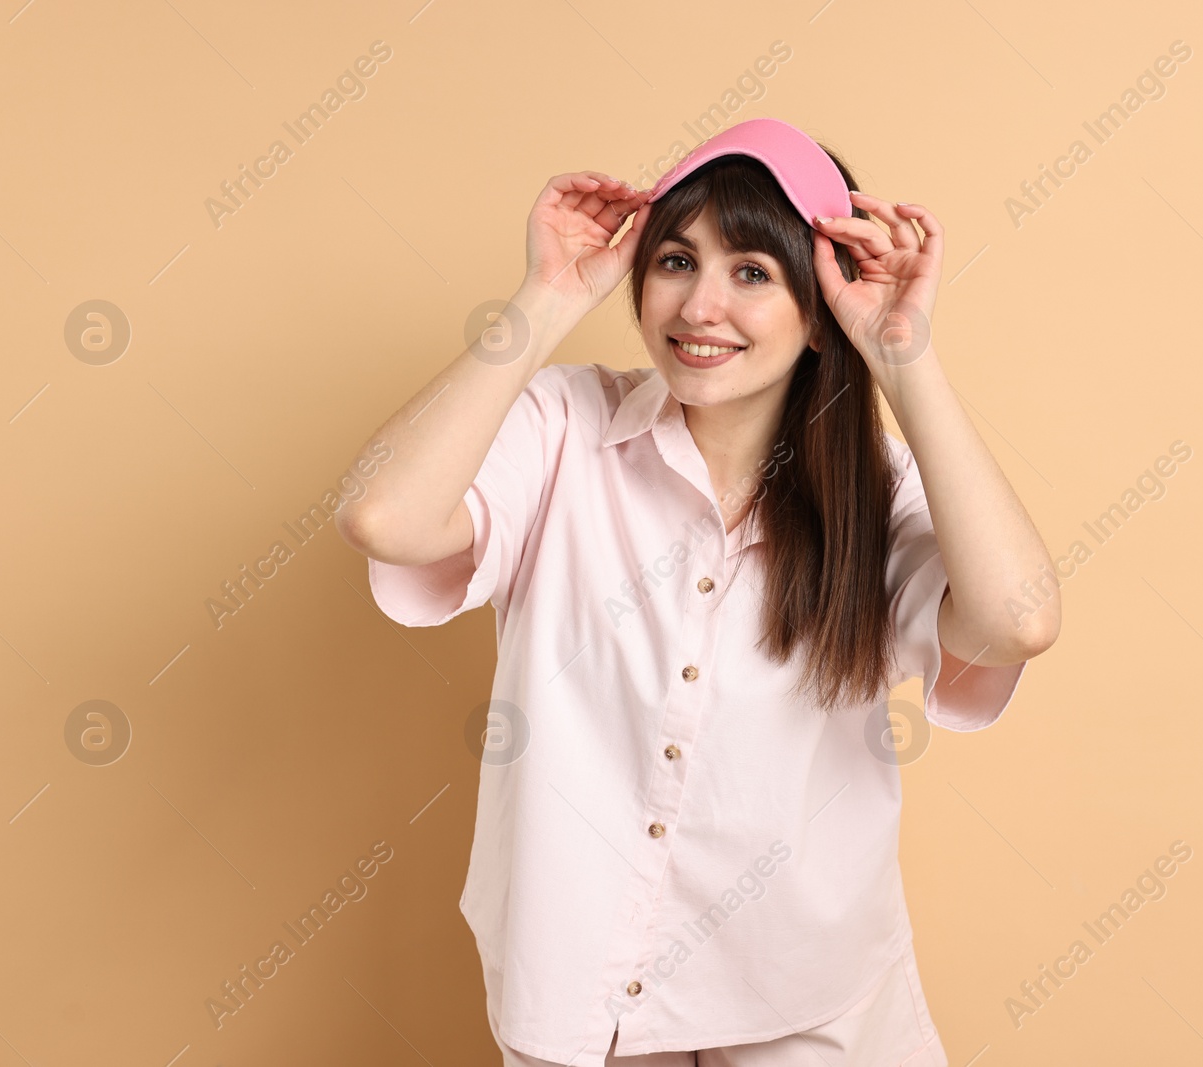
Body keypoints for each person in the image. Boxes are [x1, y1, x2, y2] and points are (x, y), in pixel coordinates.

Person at [336, 118, 1060, 1066]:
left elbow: (1018, 618)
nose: (699, 305)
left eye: (753, 272)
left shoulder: (877, 490)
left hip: (813, 1002)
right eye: (677, 260)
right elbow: (384, 515)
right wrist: (546, 297)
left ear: (819, 307)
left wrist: (903, 355)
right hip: (582, 994)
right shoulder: (562, 424)